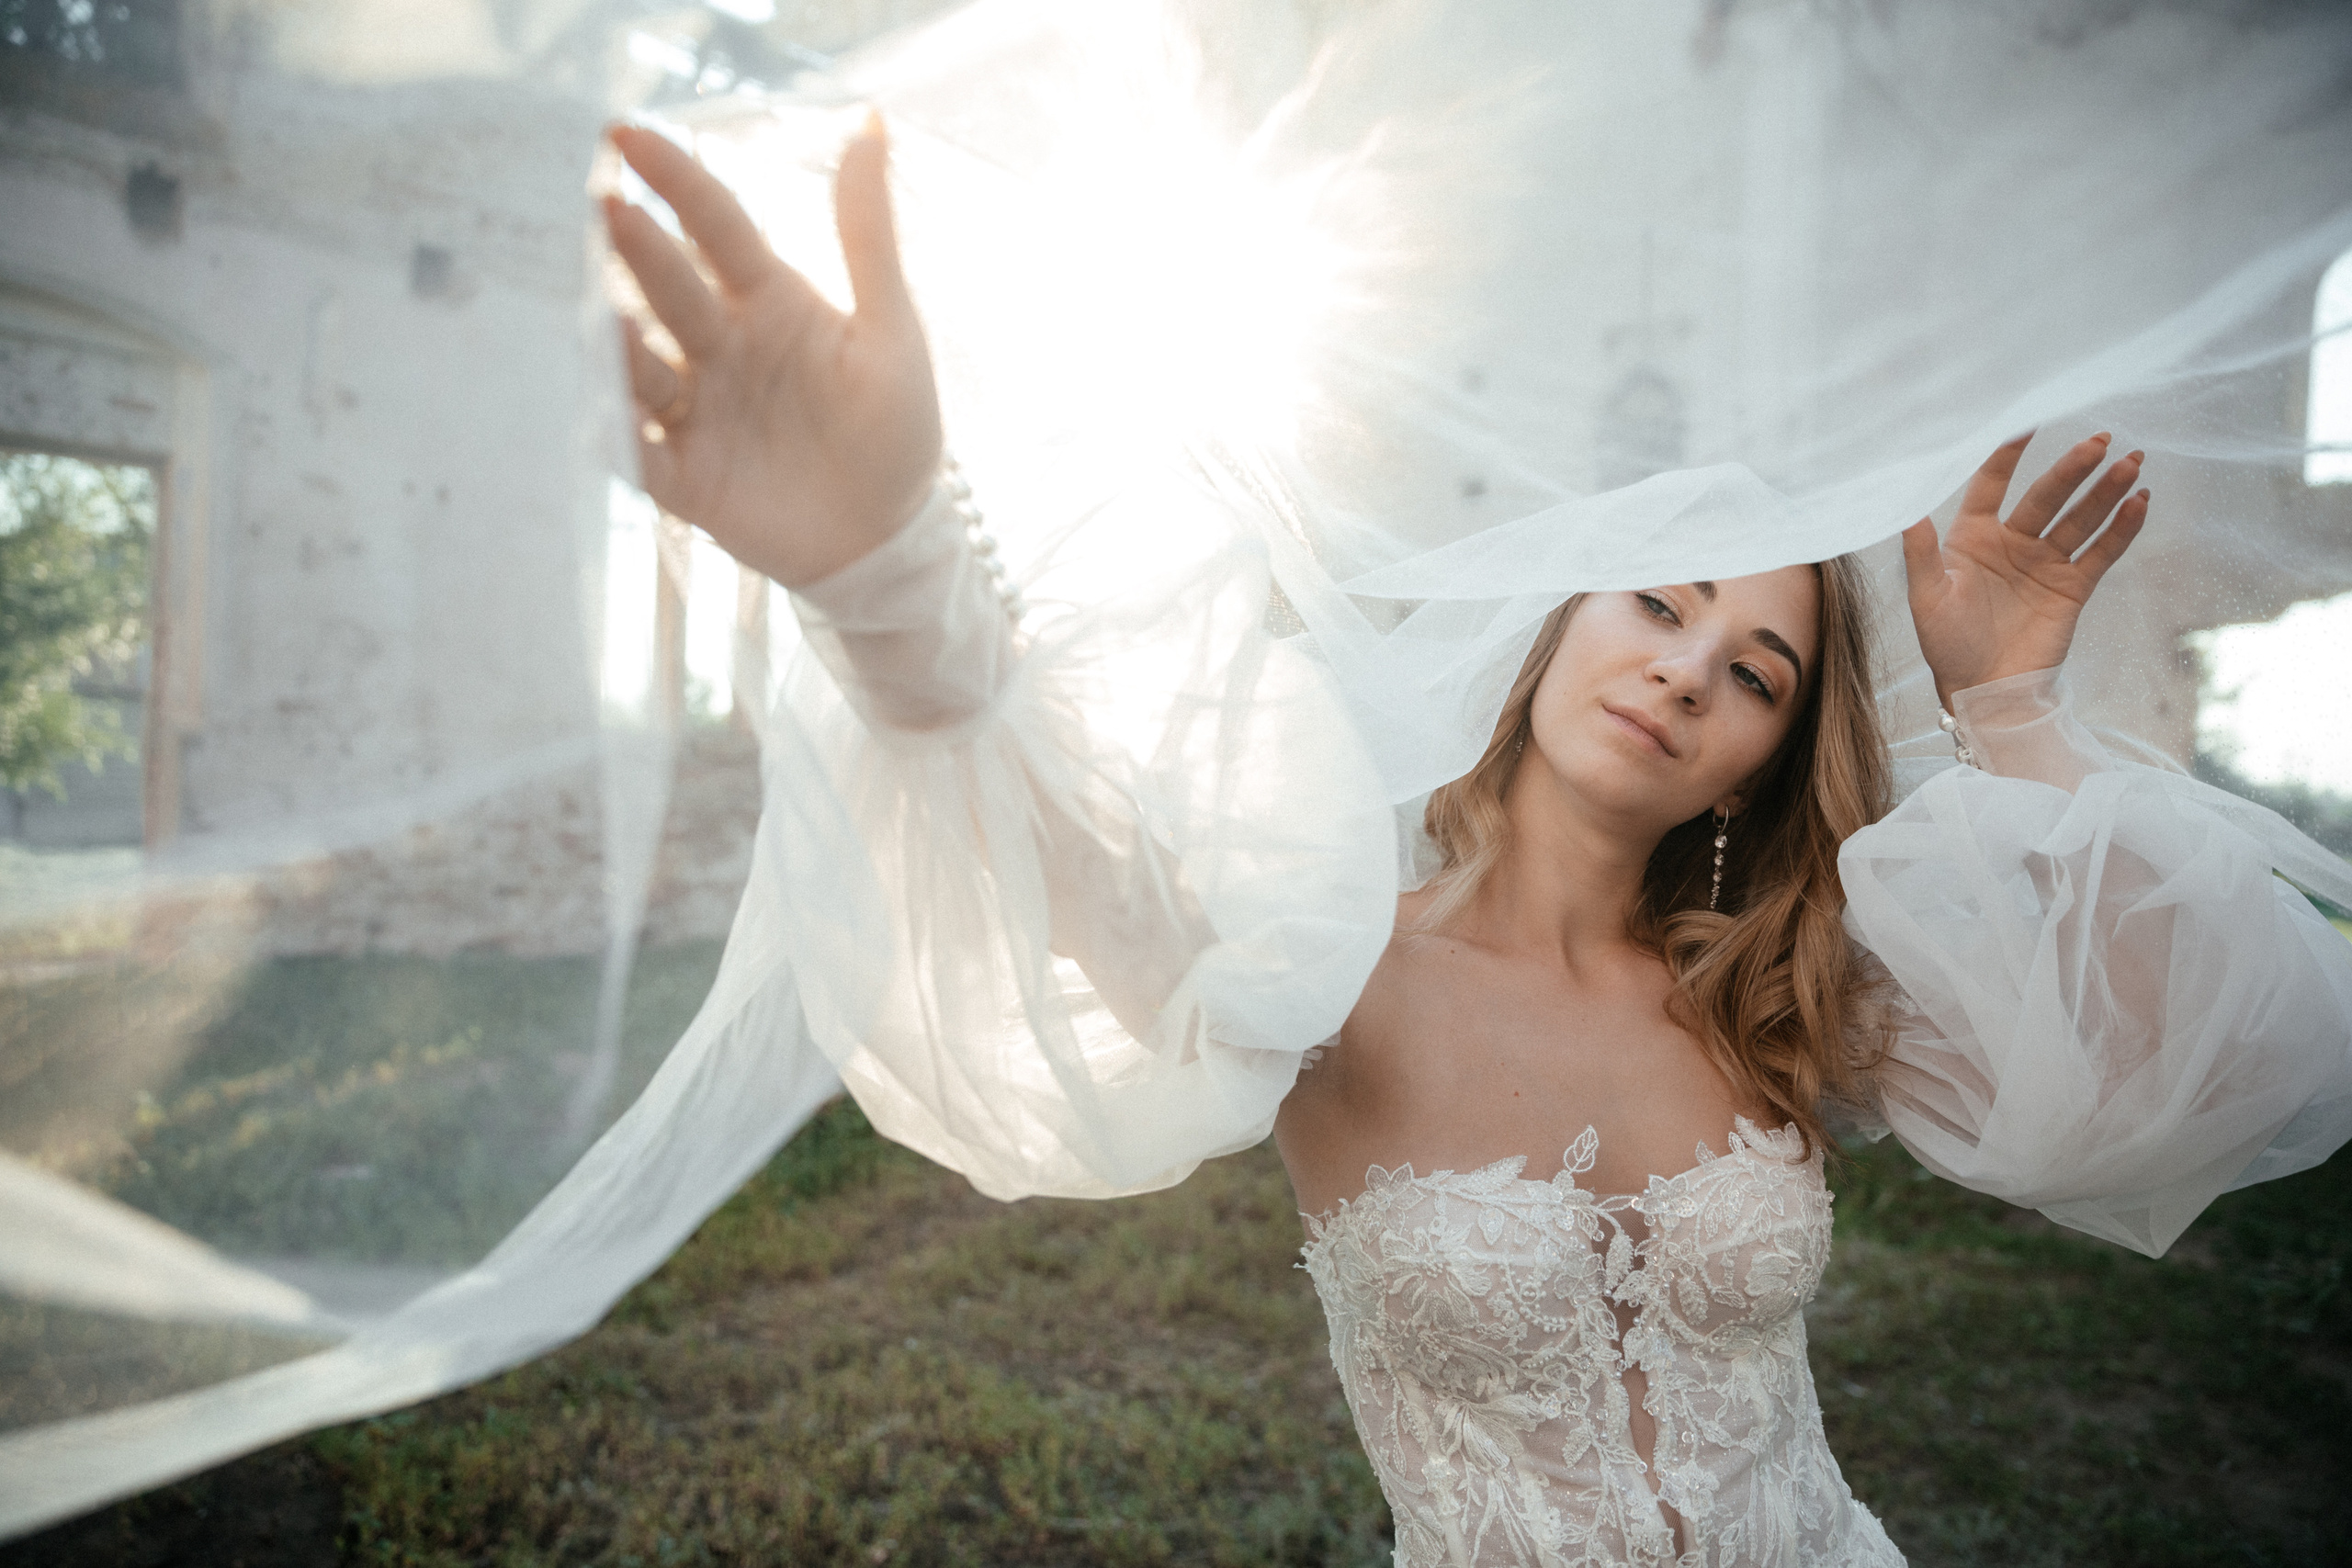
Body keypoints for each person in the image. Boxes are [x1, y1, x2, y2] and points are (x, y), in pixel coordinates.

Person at [600, 116, 2352, 1566]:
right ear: (1551, 630)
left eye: (1756, 673)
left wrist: (2012, 706)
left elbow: (2171, 1070)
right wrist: (889, 575)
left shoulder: (1777, 992)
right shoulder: (1331, 974)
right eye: (1658, 603)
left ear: (1752, 770)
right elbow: (1066, 863)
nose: (1689, 668)